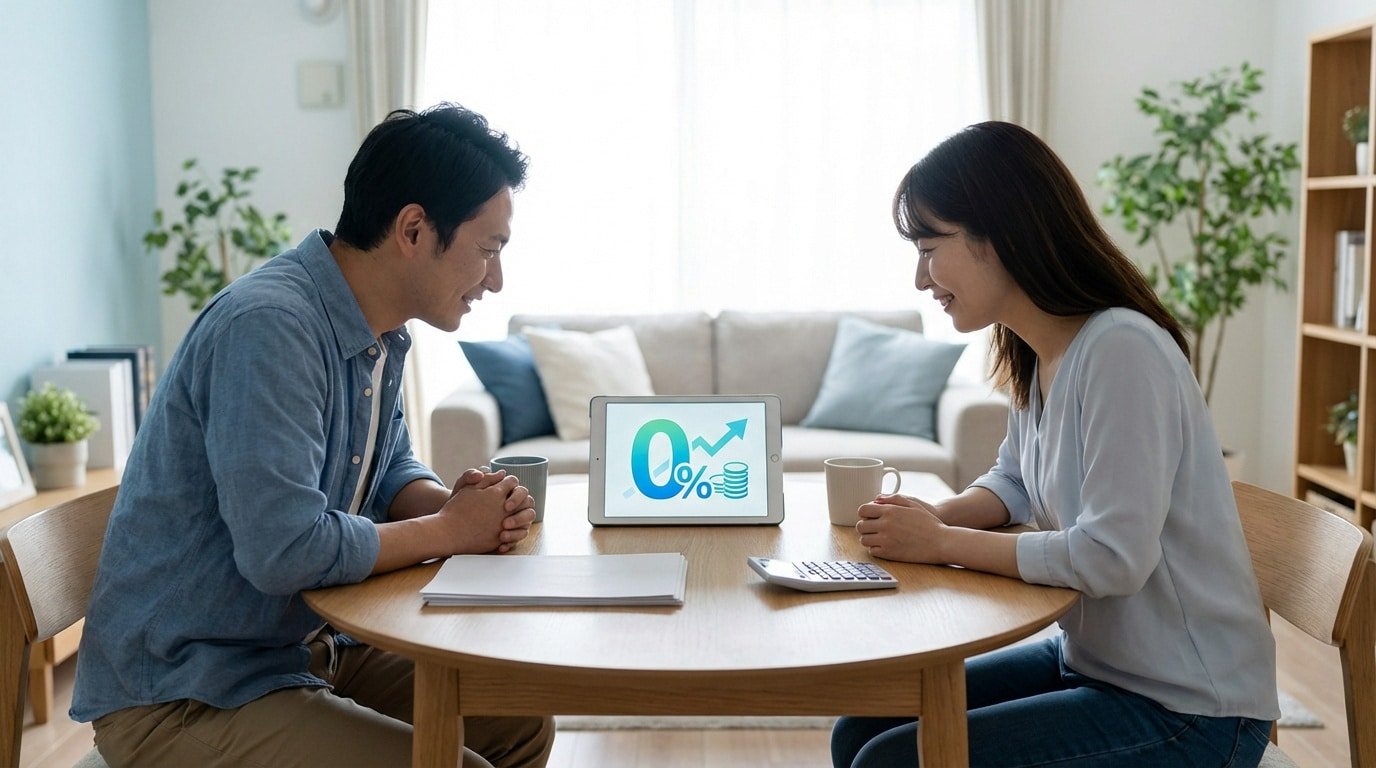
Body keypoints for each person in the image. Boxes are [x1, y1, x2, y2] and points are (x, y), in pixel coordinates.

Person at [71, 103, 555, 768]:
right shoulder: (270, 327)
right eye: (488, 249)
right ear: (413, 229)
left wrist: (454, 504)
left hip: (297, 653)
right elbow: (285, 550)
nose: (495, 280)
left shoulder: (380, 333)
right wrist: (451, 532)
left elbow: (386, 468)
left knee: (516, 717)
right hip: (187, 692)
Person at [831, 121, 1278, 768]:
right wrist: (935, 516)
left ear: (1002, 231)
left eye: (930, 247)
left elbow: (1112, 559)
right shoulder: (1039, 350)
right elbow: (1013, 482)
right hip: (1096, 663)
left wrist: (942, 545)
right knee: (859, 730)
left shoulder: (1122, 350)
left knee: (891, 761)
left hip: (1191, 706)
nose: (922, 279)